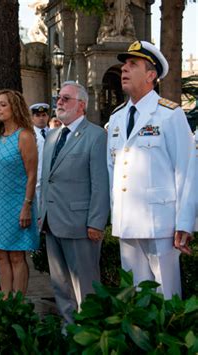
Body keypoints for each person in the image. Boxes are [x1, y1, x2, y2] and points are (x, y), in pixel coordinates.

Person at [107, 40, 195, 298]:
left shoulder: (170, 114)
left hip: (161, 223)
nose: (124, 69)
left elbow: (187, 169)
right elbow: (112, 168)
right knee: (133, 295)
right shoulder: (116, 118)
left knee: (165, 294)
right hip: (126, 221)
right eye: (124, 64)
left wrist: (185, 222)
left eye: (132, 64)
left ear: (151, 75)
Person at [39, 81, 110, 324]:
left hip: (81, 225)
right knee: (61, 287)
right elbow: (47, 180)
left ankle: (90, 336)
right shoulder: (52, 136)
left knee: (86, 288)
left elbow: (101, 184)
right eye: (58, 98)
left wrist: (96, 223)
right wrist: (42, 214)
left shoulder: (96, 135)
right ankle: (69, 334)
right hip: (51, 223)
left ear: (81, 105)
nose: (59, 102)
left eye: (65, 98)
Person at [0, 89, 39, 297]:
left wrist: (27, 205)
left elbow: (32, 174)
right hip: (0, 204)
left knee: (16, 254)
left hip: (19, 203)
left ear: (14, 108)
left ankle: (18, 302)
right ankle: (6, 299)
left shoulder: (24, 136)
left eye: (3, 104)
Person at [30, 102, 50, 207]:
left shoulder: (55, 133)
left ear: (48, 117)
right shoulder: (28, 135)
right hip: (35, 181)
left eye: (43, 115)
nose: (41, 118)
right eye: (37, 116)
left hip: (51, 181)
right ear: (32, 118)